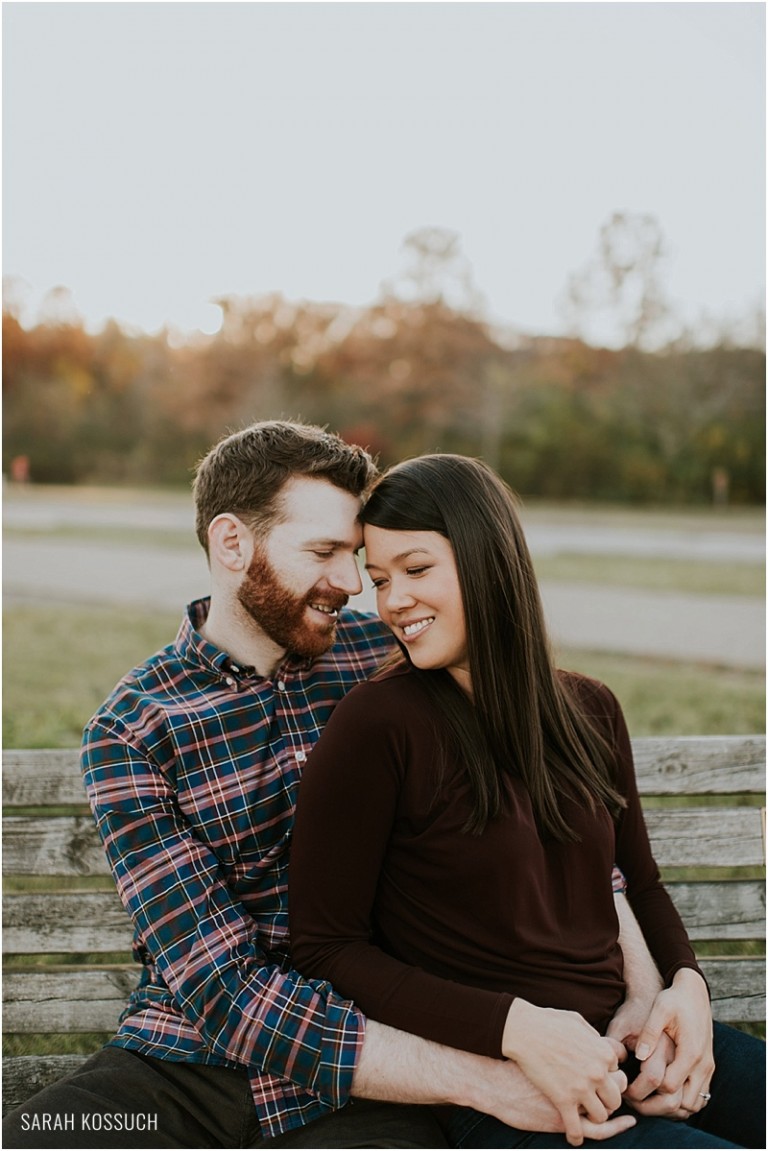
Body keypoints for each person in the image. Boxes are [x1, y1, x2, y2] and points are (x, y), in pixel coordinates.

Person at [3, 422, 647, 1150]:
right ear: (232, 544)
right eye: (324, 553)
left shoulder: (395, 655)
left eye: (354, 556)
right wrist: (483, 1078)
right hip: (184, 1067)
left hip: (380, 1076)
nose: (352, 584)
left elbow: (552, 815)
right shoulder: (135, 728)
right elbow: (222, 988)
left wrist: (651, 987)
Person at [289, 452, 765, 1150]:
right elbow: (326, 946)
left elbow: (641, 880)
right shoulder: (378, 724)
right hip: (517, 1091)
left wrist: (685, 989)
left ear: (487, 560)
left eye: (416, 570)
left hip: (629, 1051)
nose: (392, 601)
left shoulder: (590, 708)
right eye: (382, 578)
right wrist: (514, 1027)